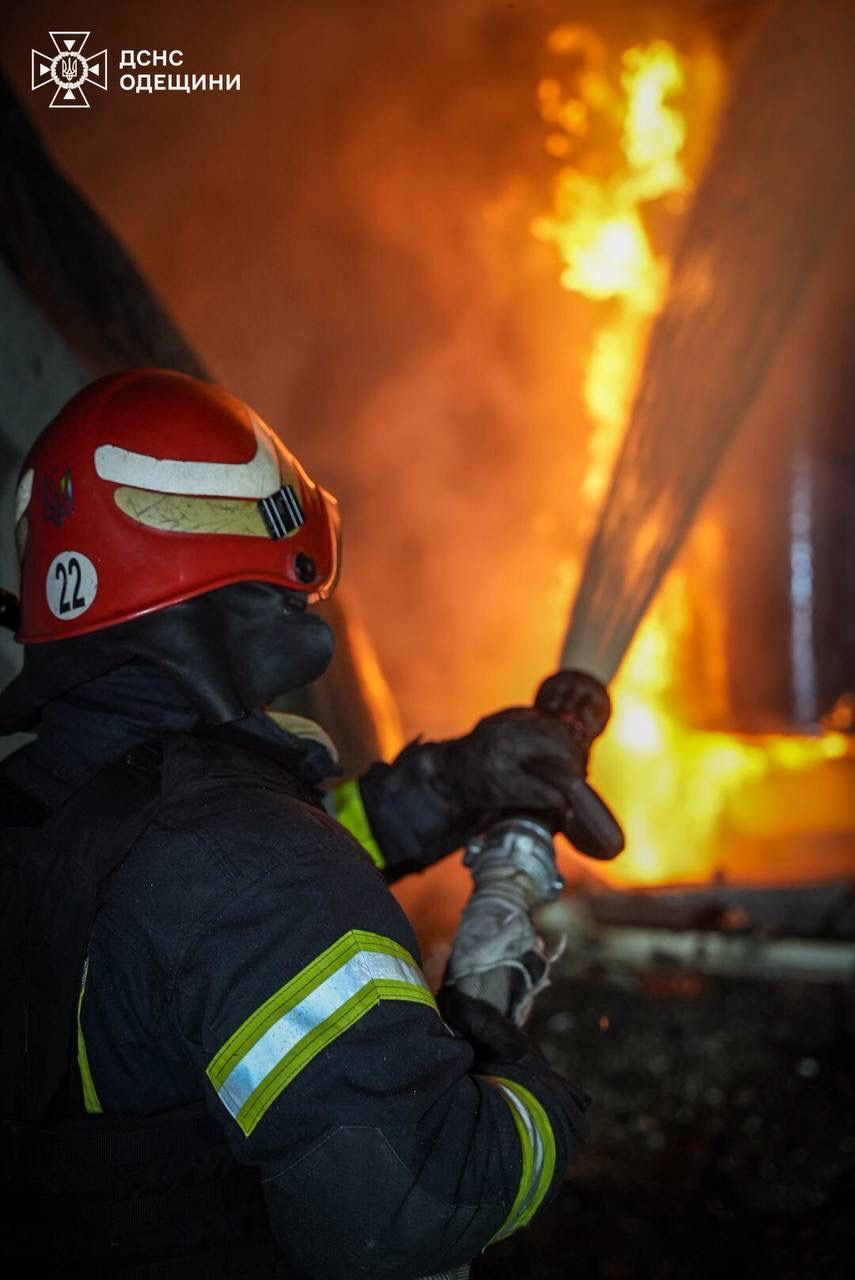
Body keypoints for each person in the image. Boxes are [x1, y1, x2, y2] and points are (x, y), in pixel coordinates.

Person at [0, 369, 606, 1278]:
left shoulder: (50, 793)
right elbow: (411, 1205)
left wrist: (453, 780)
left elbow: (208, 905)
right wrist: (512, 1071)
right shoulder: (246, 865)